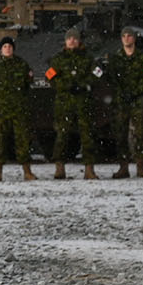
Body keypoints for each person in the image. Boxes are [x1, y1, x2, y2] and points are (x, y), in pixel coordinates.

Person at [102, 27, 143, 179]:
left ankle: (140, 166)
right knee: (120, 135)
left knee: (140, 134)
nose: (127, 39)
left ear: (134, 39)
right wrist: (122, 93)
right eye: (124, 36)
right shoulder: (116, 59)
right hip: (121, 102)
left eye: (129, 36)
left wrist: (134, 92)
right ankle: (123, 167)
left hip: (138, 101)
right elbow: (111, 78)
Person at [46, 28, 97, 179]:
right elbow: (50, 76)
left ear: (79, 40)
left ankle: (89, 169)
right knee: (62, 135)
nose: (72, 41)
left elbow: (97, 73)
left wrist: (84, 85)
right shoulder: (58, 59)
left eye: (75, 38)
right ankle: (59, 167)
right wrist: (66, 86)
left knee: (87, 135)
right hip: (64, 102)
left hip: (83, 101)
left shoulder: (87, 58)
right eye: (69, 39)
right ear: (66, 41)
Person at [0, 38, 36, 182]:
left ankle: (27, 171)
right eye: (5, 46)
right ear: (1, 49)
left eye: (9, 46)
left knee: (22, 140)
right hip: (1, 109)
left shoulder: (21, 65)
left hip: (19, 109)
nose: (7, 49)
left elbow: (28, 83)